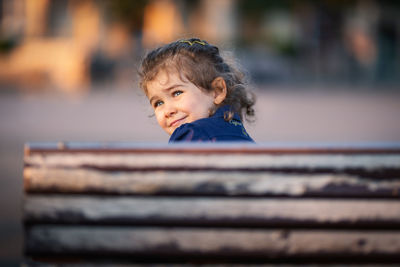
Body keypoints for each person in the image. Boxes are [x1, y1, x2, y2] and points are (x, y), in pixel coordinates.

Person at [139, 38, 255, 142]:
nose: (168, 111)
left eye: (177, 93)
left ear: (217, 91)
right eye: (158, 103)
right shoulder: (238, 132)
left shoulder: (190, 135)